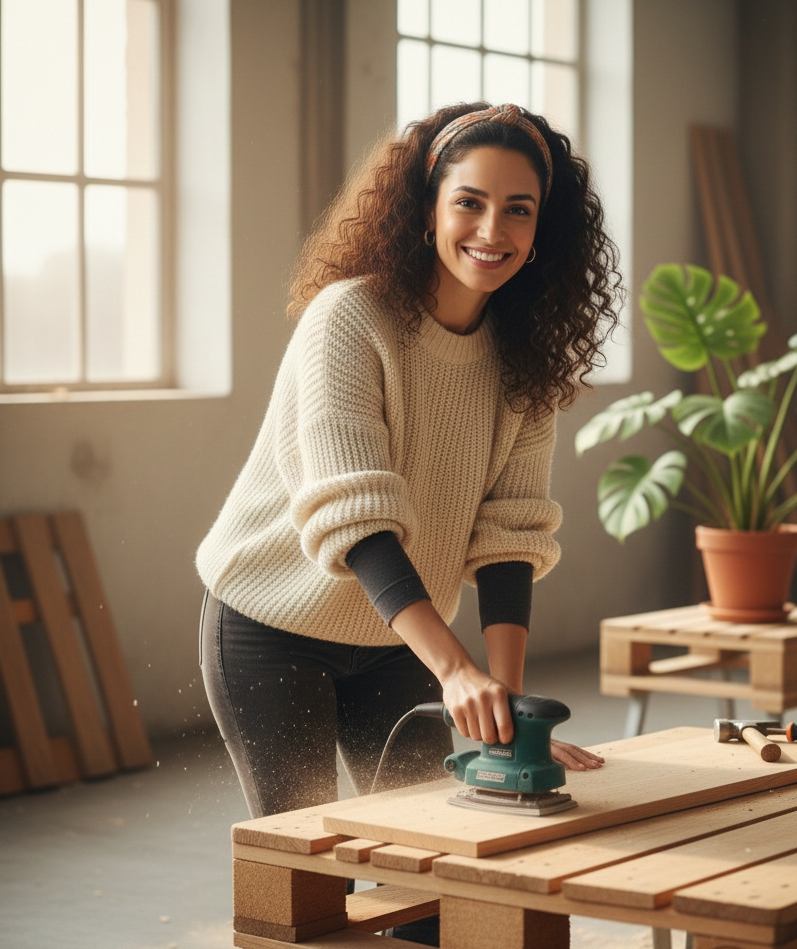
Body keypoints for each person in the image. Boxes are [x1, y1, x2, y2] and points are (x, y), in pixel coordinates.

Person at [197, 102, 621, 943]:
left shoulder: (525, 355)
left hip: (396, 640)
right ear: (426, 204)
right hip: (269, 630)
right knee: (316, 884)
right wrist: (457, 671)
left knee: (438, 867)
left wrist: (505, 702)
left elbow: (510, 533)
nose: (490, 228)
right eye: (468, 201)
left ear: (543, 230)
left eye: (518, 209)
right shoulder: (348, 319)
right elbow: (358, 517)